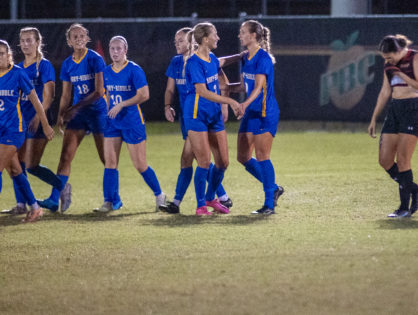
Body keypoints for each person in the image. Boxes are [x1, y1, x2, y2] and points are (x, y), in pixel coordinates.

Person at [164, 27, 240, 214]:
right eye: (215, 34)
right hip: (196, 114)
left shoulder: (212, 58)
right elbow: (202, 91)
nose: (218, 37)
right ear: (205, 39)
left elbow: (222, 71)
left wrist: (242, 56)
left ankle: (210, 197)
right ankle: (200, 205)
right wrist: (229, 101)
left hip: (213, 115)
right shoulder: (193, 62)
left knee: (223, 162)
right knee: (203, 161)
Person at [37, 23, 107, 213]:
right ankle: (53, 199)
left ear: (87, 39)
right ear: (68, 41)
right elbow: (66, 94)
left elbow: (99, 91)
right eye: (74, 37)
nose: (78, 39)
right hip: (78, 115)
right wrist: (61, 114)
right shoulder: (68, 64)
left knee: (106, 159)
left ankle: (112, 199)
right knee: (65, 157)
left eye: (81, 36)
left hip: (97, 113)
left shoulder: (95, 59)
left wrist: (73, 108)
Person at [94, 36, 167, 212]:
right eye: (112, 49)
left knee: (140, 164)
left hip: (132, 122)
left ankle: (160, 195)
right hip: (113, 122)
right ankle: (109, 201)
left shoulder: (134, 70)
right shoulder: (106, 71)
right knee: (110, 163)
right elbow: (107, 95)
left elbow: (144, 94)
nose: (115, 52)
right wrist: (105, 112)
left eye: (119, 48)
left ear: (125, 50)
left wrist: (122, 104)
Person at [1, 27, 68, 215]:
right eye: (22, 41)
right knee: (16, 163)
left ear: (38, 42)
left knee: (31, 165)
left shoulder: (43, 65)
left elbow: (50, 95)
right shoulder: (18, 67)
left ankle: (61, 187)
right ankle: (21, 204)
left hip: (38, 118)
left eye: (30, 40)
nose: (25, 44)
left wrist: (40, 118)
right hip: (19, 121)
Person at [226, 20, 284, 215]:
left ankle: (269, 204)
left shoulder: (263, 58)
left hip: (265, 112)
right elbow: (246, 86)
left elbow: (258, 87)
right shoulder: (245, 58)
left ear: (253, 36)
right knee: (242, 157)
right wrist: (227, 89)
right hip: (251, 111)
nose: (239, 35)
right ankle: (274, 187)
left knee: (262, 156)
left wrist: (242, 104)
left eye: (242, 32)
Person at [368, 34, 418, 218]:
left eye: (389, 57)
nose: (387, 61)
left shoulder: (414, 57)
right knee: (385, 160)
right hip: (395, 110)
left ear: (398, 51)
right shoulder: (389, 64)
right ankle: (414, 189)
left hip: (413, 109)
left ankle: (404, 208)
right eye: (385, 59)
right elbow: (385, 91)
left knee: (404, 159)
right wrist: (374, 118)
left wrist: (400, 73)